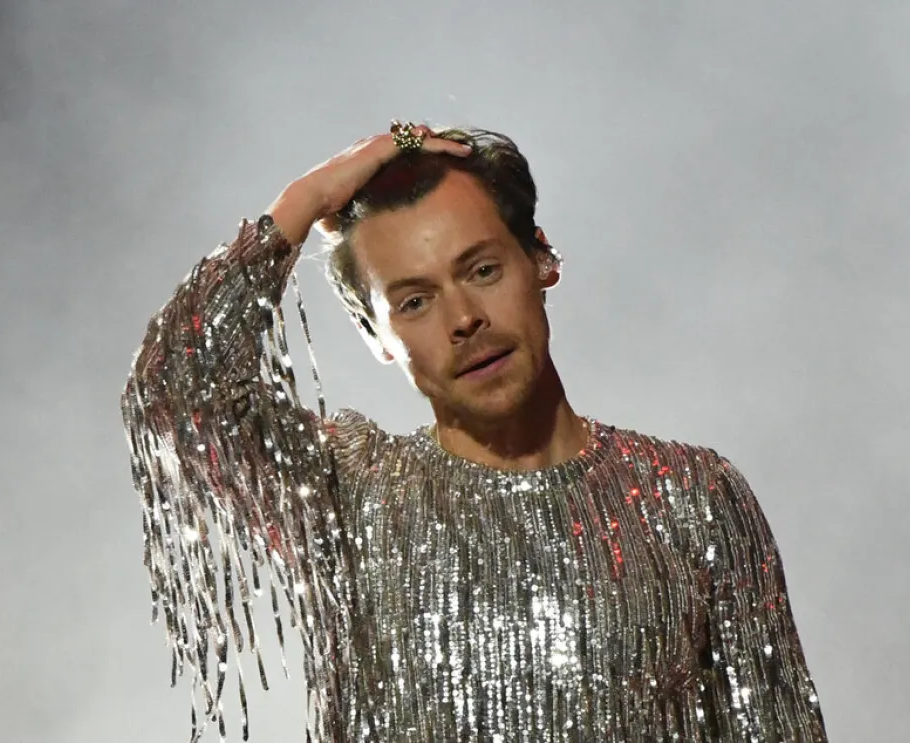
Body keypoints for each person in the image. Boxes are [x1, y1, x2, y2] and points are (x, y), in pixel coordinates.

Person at [120, 122, 828, 742]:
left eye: (482, 269)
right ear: (377, 336)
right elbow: (174, 386)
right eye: (415, 300)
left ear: (541, 259)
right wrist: (304, 201)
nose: (463, 318)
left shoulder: (694, 498)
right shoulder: (347, 497)